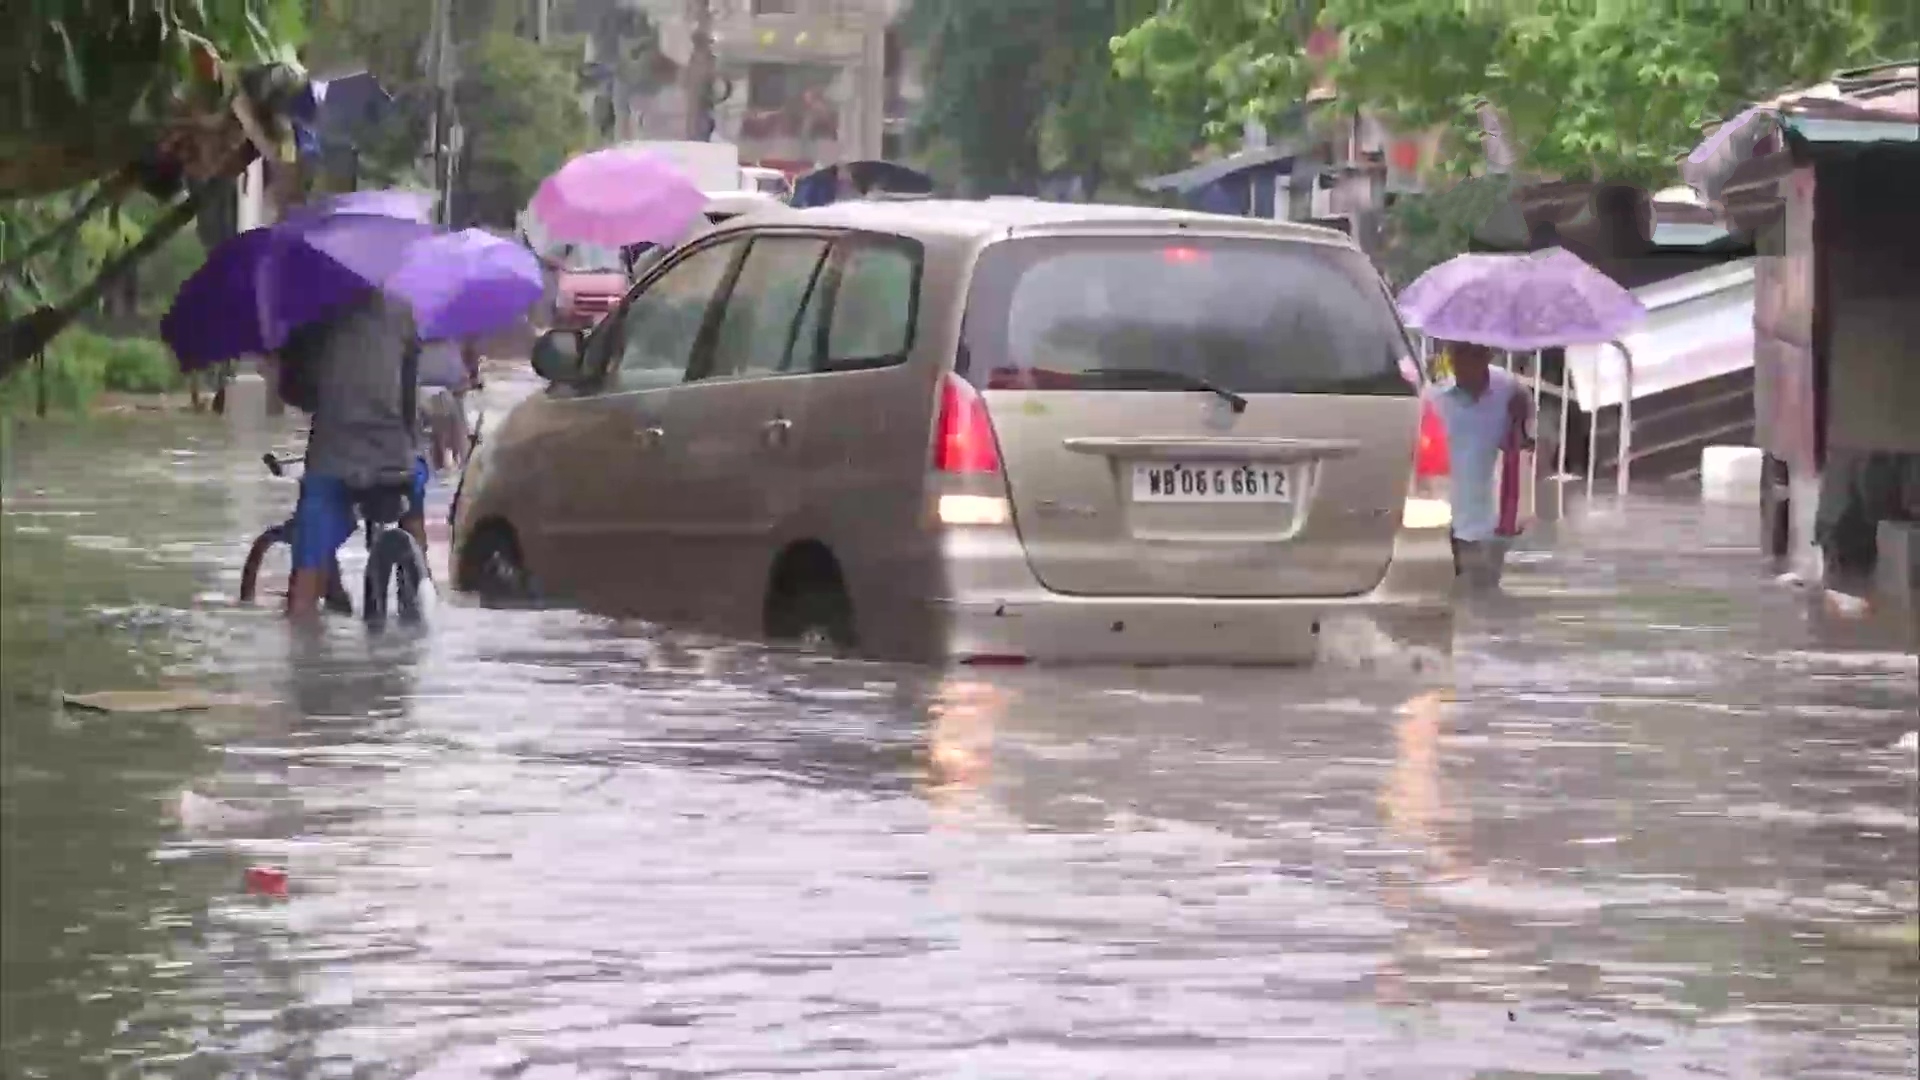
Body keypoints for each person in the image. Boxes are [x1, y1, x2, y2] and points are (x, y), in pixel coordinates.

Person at [277, 290, 432, 620]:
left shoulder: (310, 313)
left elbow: (299, 395)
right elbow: (408, 404)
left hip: (333, 460)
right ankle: (423, 581)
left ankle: (303, 635)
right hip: (394, 460)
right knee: (416, 479)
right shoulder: (404, 311)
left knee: (309, 560)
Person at [1426, 340, 1533, 578]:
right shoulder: (1433, 399)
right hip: (1443, 523)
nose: (1463, 362)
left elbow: (1522, 449)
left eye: (1473, 354)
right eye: (1457, 353)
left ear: (1488, 354)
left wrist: (1520, 420)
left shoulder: (1511, 392)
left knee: (1484, 596)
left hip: (1488, 525)